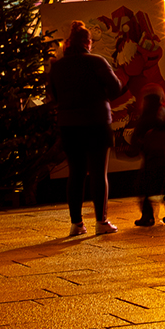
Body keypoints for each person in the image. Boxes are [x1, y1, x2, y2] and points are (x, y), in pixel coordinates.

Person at [45, 24, 122, 235]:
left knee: (76, 173)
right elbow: (116, 87)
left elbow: (53, 96)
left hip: (69, 125)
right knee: (98, 173)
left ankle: (76, 224)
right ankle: (101, 221)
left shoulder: (58, 67)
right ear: (88, 43)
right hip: (97, 121)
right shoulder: (96, 61)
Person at [132, 85, 165, 228]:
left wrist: (138, 148)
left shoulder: (145, 116)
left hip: (151, 161)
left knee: (144, 189)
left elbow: (136, 137)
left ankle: (147, 216)